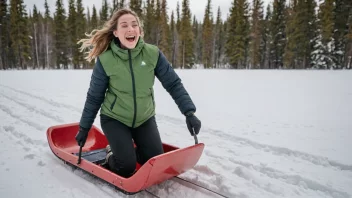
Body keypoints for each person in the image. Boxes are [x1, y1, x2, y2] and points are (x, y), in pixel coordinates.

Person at [75, 8, 201, 178]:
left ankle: (127, 150)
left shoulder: (152, 54)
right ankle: (114, 153)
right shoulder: (106, 60)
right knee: (126, 167)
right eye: (124, 25)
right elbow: (94, 97)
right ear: (116, 33)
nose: (130, 29)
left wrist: (189, 112)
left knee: (154, 160)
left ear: (140, 31)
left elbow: (173, 84)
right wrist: (84, 127)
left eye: (134, 25)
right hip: (115, 119)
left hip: (144, 118)